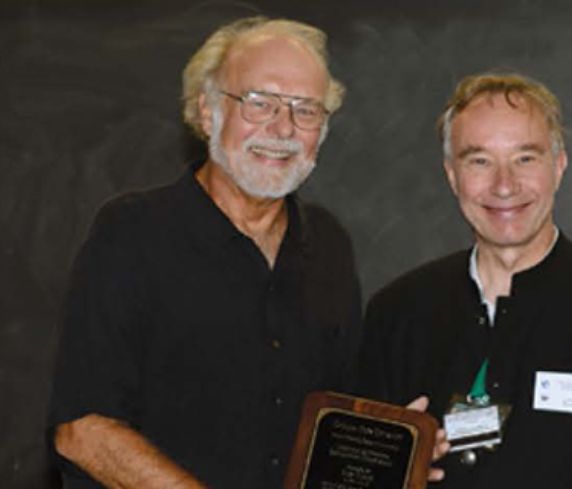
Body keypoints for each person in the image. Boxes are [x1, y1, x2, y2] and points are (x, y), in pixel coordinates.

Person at [48, 17, 362, 488]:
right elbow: (82, 431)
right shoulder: (132, 234)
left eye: (306, 110)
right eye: (259, 103)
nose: (283, 128)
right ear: (208, 111)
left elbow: (336, 424)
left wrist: (398, 447)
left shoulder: (329, 245)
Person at [358, 72, 572, 488]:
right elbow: (357, 475)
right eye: (479, 161)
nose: (504, 185)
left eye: (526, 158)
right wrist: (395, 465)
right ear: (452, 175)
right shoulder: (397, 313)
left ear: (558, 166)